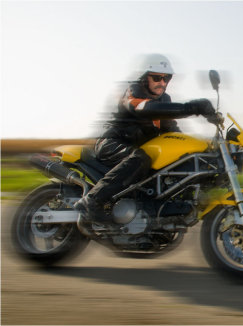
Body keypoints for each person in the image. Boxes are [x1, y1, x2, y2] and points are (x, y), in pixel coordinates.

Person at [75, 54, 216, 223]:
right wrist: (193, 107)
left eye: (167, 78)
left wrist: (196, 149)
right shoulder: (133, 91)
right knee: (141, 158)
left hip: (139, 148)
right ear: (144, 77)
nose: (162, 83)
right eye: (157, 77)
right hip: (112, 142)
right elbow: (144, 108)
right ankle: (91, 201)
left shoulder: (164, 99)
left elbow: (171, 131)